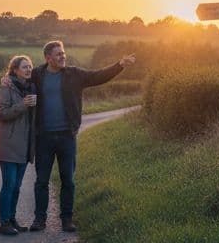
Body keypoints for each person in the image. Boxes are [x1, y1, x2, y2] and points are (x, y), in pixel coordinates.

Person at [18, 40, 135, 232]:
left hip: (67, 136)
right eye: (58, 54)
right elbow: (18, 80)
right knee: (41, 181)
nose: (63, 56)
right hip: (44, 137)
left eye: (63, 53)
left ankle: (67, 219)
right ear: (48, 58)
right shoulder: (37, 75)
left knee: (68, 180)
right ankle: (40, 220)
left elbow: (98, 76)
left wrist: (119, 65)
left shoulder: (74, 74)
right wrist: (6, 81)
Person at [0, 55, 38, 235]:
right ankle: (4, 223)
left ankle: (12, 219)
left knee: (17, 186)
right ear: (15, 70)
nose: (28, 70)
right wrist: (22, 105)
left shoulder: (32, 87)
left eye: (30, 67)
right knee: (9, 185)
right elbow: (1, 114)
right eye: (25, 67)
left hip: (25, 145)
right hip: (9, 144)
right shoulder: (6, 88)